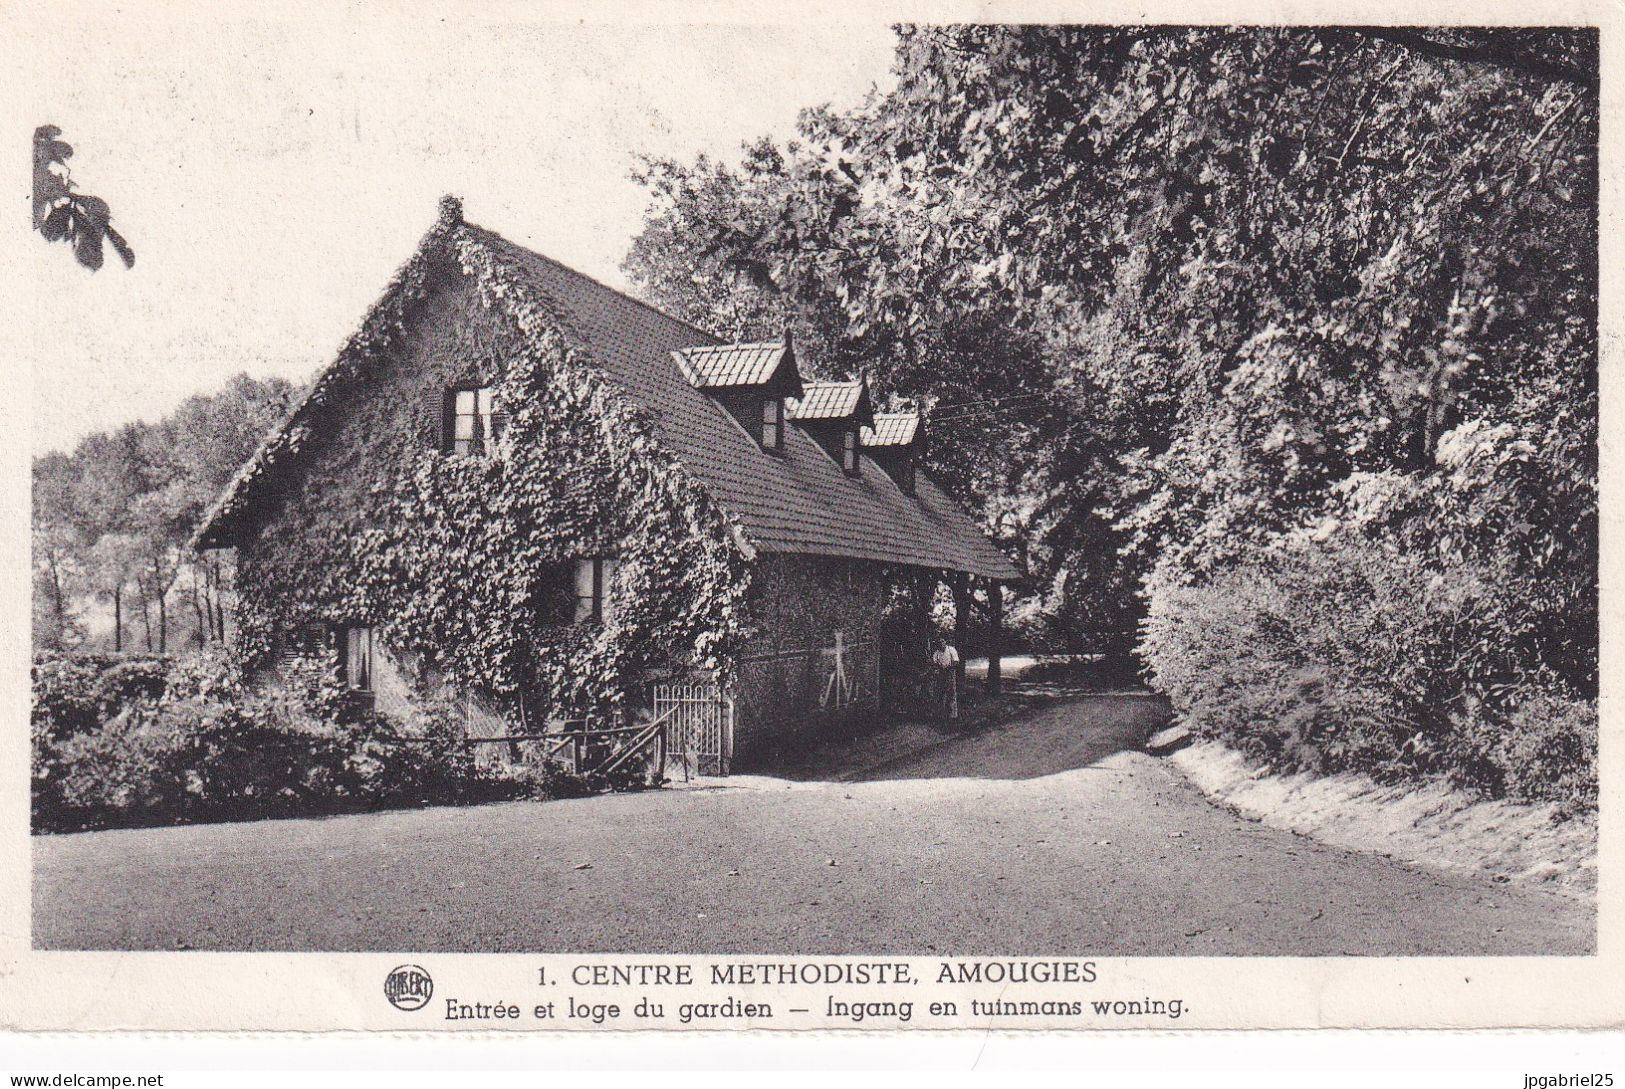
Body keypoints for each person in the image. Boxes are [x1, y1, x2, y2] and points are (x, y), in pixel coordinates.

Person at [932, 635, 960, 720]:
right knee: (941, 693)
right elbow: (934, 663)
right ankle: (941, 714)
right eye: (939, 642)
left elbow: (956, 662)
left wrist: (948, 667)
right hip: (941, 674)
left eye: (942, 641)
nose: (941, 644)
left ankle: (953, 715)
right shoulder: (936, 653)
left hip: (950, 673)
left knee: (951, 693)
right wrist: (938, 667)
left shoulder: (951, 650)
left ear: (945, 642)